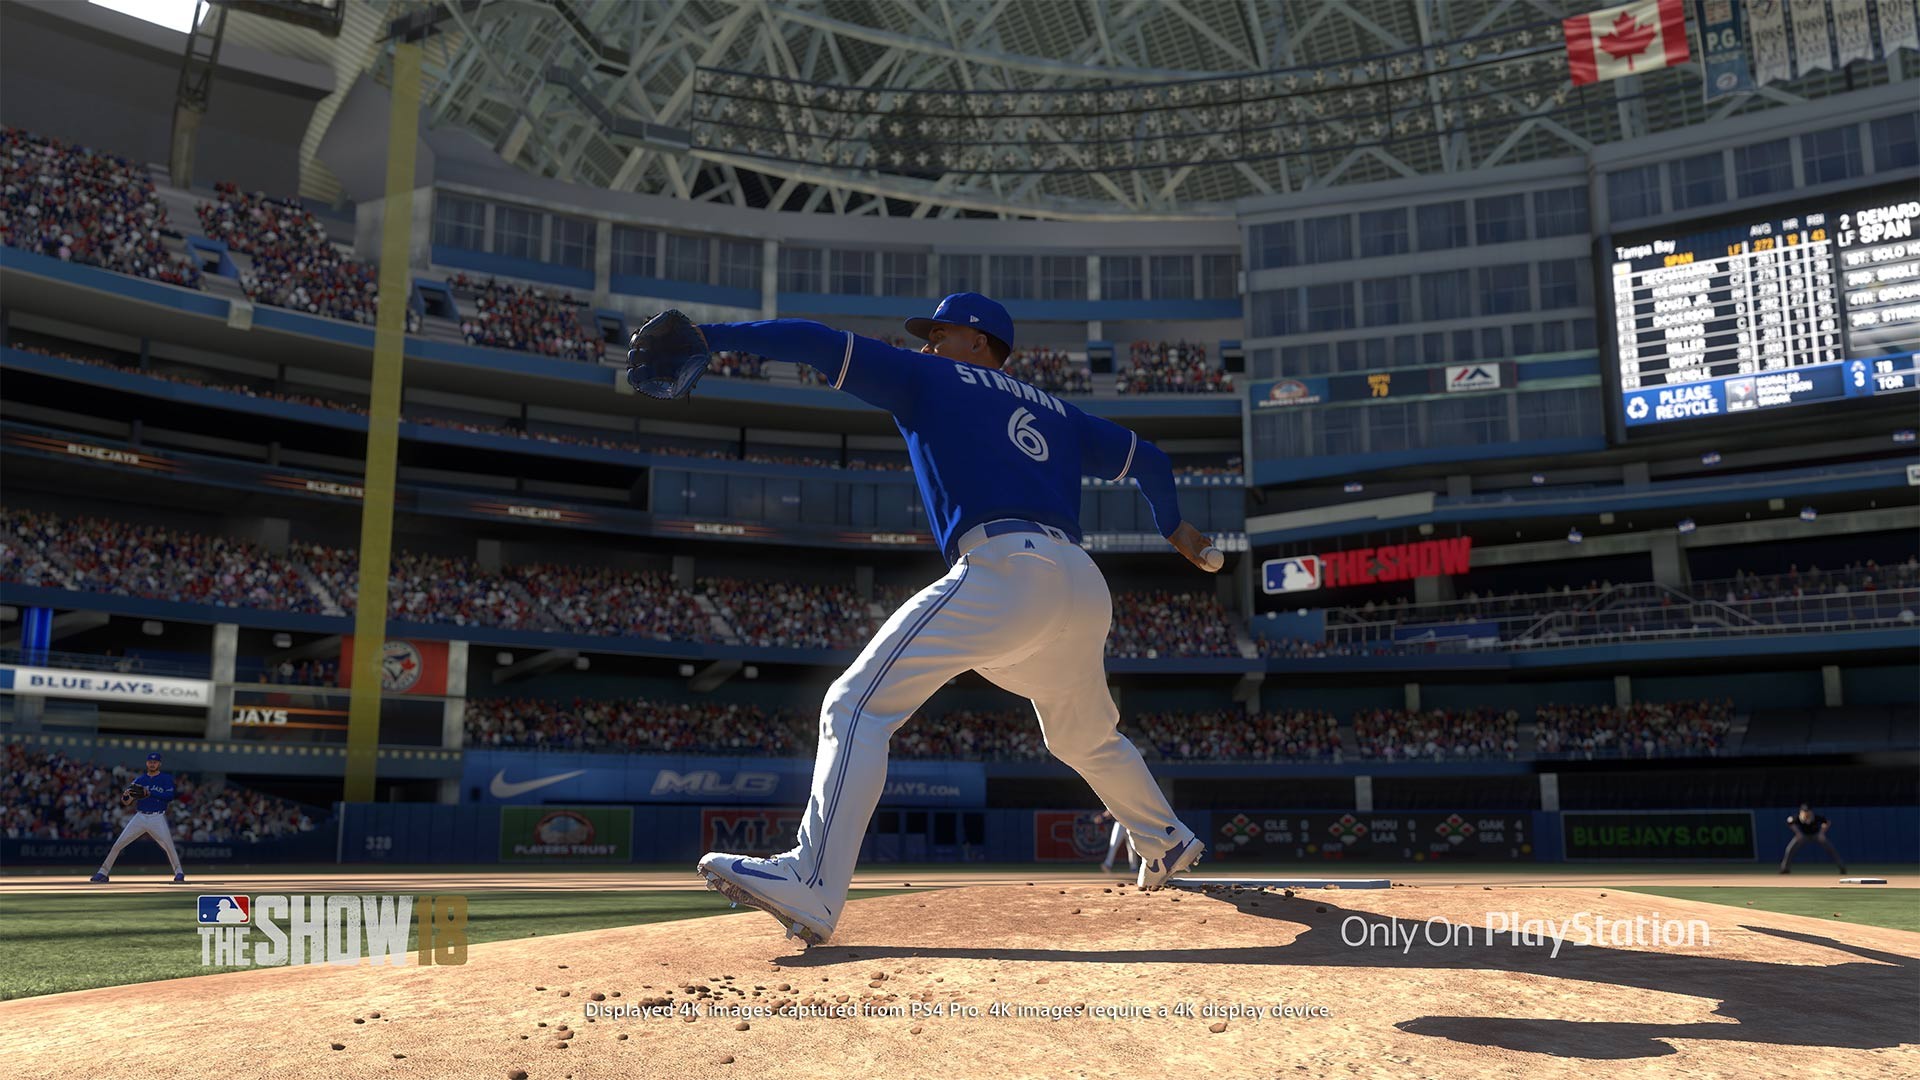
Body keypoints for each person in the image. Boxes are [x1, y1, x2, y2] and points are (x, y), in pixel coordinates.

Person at [690, 293, 1218, 946]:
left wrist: (709, 335)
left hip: (1007, 568)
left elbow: (815, 340)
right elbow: (1151, 460)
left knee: (855, 707)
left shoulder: (931, 377)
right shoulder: (1059, 413)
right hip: (1082, 585)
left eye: (939, 334)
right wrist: (1175, 527)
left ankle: (812, 879)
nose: (927, 345)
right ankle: (1164, 839)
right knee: (1084, 736)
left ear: (978, 341)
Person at [90, 752, 185, 883]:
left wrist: (150, 793)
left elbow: (169, 796)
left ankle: (179, 872)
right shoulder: (140, 780)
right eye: (150, 762)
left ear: (159, 764)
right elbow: (127, 801)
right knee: (118, 844)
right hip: (140, 817)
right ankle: (103, 873)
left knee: (168, 846)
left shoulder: (165, 778)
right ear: (147, 763)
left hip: (157, 817)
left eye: (155, 762)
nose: (152, 764)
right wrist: (126, 796)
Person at [1779, 804, 1847, 875]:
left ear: (1811, 811)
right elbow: (1789, 822)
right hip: (1803, 836)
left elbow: (1827, 822)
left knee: (1831, 849)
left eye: (1808, 811)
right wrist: (1798, 833)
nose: (1806, 813)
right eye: (1804, 811)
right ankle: (1785, 869)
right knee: (1790, 849)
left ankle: (1842, 867)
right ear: (1801, 812)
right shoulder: (1798, 818)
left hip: (1816, 835)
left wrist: (1821, 833)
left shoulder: (1816, 817)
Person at [1096, 808, 1139, 874]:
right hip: (1120, 823)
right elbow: (1111, 809)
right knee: (1113, 844)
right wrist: (1103, 816)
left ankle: (1133, 867)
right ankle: (1108, 864)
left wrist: (1102, 816)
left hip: (1130, 824)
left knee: (1132, 847)